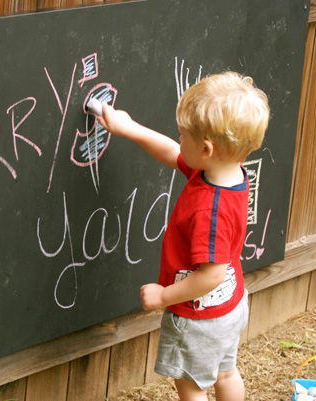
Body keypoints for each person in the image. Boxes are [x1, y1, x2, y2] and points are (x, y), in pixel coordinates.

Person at [96, 71, 270, 401]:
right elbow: (171, 152)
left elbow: (212, 274)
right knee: (226, 372)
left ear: (206, 148)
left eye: (184, 135)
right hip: (230, 308)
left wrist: (163, 297)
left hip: (199, 318)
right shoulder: (227, 172)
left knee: (191, 387)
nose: (179, 139)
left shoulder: (210, 209)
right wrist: (129, 128)